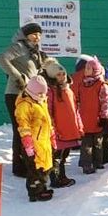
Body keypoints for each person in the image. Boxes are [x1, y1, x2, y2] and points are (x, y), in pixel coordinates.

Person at [0, 20, 48, 178]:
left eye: (39, 34)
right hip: (15, 94)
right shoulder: (19, 47)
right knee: (20, 130)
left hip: (30, 95)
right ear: (26, 36)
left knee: (29, 130)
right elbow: (0, 58)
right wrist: (18, 77)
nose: (37, 37)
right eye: (33, 34)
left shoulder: (36, 51)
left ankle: (27, 162)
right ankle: (18, 167)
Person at [42, 59, 83, 188]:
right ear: (52, 76)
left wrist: (79, 126)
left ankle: (62, 176)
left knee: (64, 154)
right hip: (58, 129)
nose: (62, 77)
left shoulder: (68, 89)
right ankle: (55, 178)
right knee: (56, 155)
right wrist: (52, 127)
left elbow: (75, 109)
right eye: (58, 75)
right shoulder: (50, 91)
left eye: (63, 74)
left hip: (69, 128)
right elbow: (48, 110)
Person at [15, 76, 55, 202]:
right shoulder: (25, 105)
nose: (42, 95)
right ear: (32, 91)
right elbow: (23, 126)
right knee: (35, 169)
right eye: (40, 93)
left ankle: (42, 187)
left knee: (45, 167)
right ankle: (34, 192)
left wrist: (52, 136)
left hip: (44, 141)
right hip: (32, 144)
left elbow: (48, 121)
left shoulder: (41, 101)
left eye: (44, 93)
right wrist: (28, 145)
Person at [77, 58, 108, 174]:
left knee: (98, 143)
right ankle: (86, 164)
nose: (85, 70)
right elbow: (78, 101)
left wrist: (103, 117)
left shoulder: (101, 85)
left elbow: (105, 102)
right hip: (84, 119)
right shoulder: (82, 84)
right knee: (86, 144)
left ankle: (98, 162)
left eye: (88, 68)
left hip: (97, 119)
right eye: (85, 68)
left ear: (95, 70)